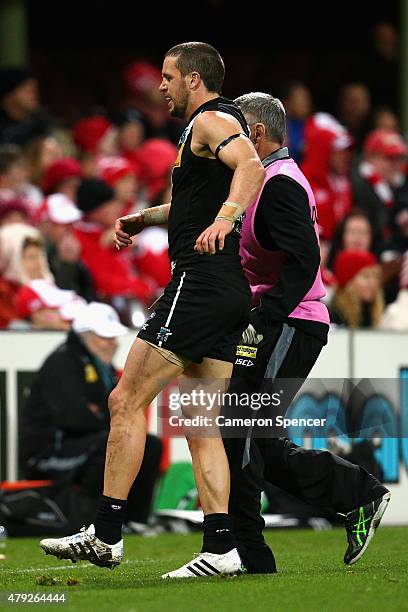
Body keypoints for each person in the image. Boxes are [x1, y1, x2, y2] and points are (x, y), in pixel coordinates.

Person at [40, 41, 265, 577]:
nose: (159, 86)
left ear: (193, 79)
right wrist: (145, 217)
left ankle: (107, 533)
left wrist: (226, 219)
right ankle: (221, 548)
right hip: (226, 288)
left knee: (125, 399)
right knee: (201, 422)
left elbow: (251, 168)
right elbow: (193, 202)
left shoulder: (210, 119)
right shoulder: (205, 128)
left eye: (167, 77)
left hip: (201, 282)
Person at [223, 93, 390, 573]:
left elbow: (304, 262)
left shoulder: (278, 185)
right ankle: (359, 494)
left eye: (237, 130)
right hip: (286, 319)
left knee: (243, 431)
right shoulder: (265, 180)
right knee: (255, 437)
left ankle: (249, 555)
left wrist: (264, 316)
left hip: (290, 321)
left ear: (255, 134)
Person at [21, 302, 163, 530]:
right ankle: (91, 520)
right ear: (84, 335)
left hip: (84, 443)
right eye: (105, 337)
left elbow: (100, 412)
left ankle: (135, 521)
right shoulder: (62, 363)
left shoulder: (100, 365)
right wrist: (104, 417)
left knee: (149, 444)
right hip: (48, 453)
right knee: (108, 444)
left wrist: (98, 413)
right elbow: (74, 417)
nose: (113, 343)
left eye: (113, 337)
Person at [331, 250, 384, 328]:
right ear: (348, 282)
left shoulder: (370, 313)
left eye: (376, 276)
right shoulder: (334, 316)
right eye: (366, 276)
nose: (373, 282)